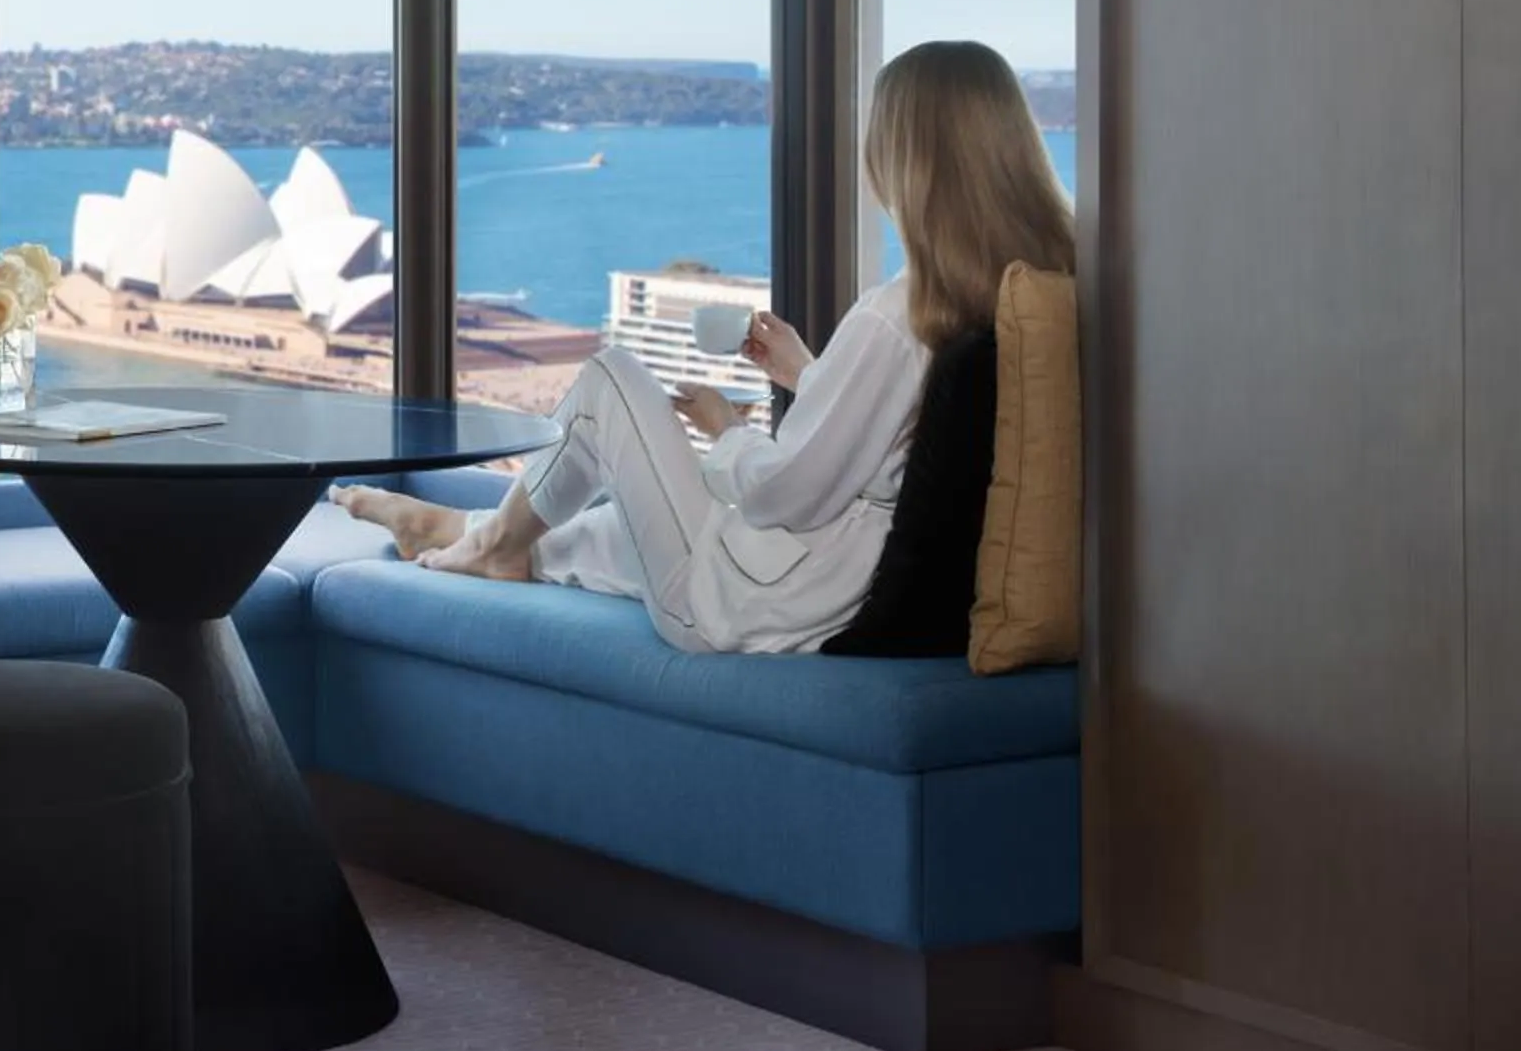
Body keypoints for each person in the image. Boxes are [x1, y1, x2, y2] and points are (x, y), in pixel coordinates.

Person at [332, 40, 1075, 654]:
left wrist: (728, 430)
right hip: (828, 583)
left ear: (902, 158)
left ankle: (492, 547)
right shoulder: (1024, 294)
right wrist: (809, 374)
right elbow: (894, 450)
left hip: (763, 608)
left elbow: (789, 492)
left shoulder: (897, 315)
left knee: (608, 381)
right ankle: (470, 534)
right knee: (630, 515)